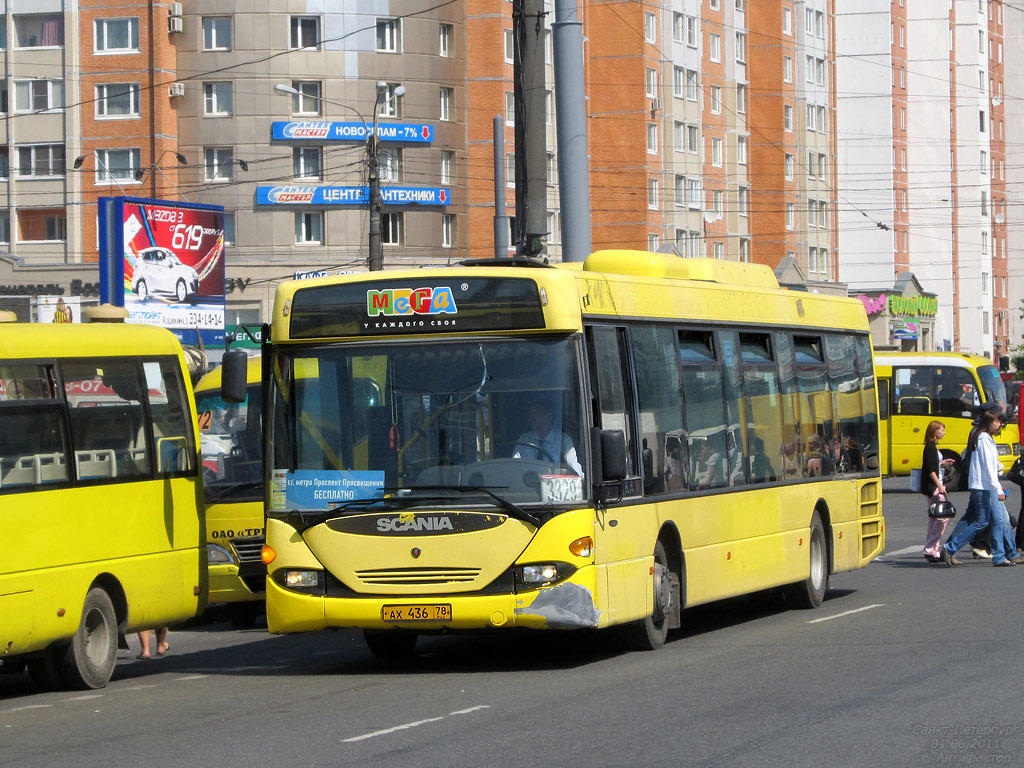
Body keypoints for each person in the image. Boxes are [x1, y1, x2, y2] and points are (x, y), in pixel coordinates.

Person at [941, 409, 1021, 567]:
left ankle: (1000, 556)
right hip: (984, 486)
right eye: (997, 422)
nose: (999, 425)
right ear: (988, 422)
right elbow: (987, 467)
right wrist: (998, 488)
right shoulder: (983, 439)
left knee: (997, 520)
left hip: (986, 485)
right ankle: (950, 547)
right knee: (982, 521)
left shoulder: (986, 438)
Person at [512, 399, 582, 476]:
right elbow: (514, 468)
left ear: (548, 416)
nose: (530, 419)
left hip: (553, 487)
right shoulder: (524, 440)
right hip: (525, 487)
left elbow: (573, 468)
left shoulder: (563, 440)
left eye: (535, 414)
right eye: (530, 414)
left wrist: (579, 480)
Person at [920, 420, 956, 563]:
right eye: (941, 430)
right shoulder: (930, 447)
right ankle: (931, 548)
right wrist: (939, 486)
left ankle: (932, 549)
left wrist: (943, 462)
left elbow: (933, 464)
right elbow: (930, 470)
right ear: (934, 431)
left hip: (933, 486)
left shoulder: (933, 446)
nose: (944, 432)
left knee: (934, 517)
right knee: (942, 516)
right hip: (933, 487)